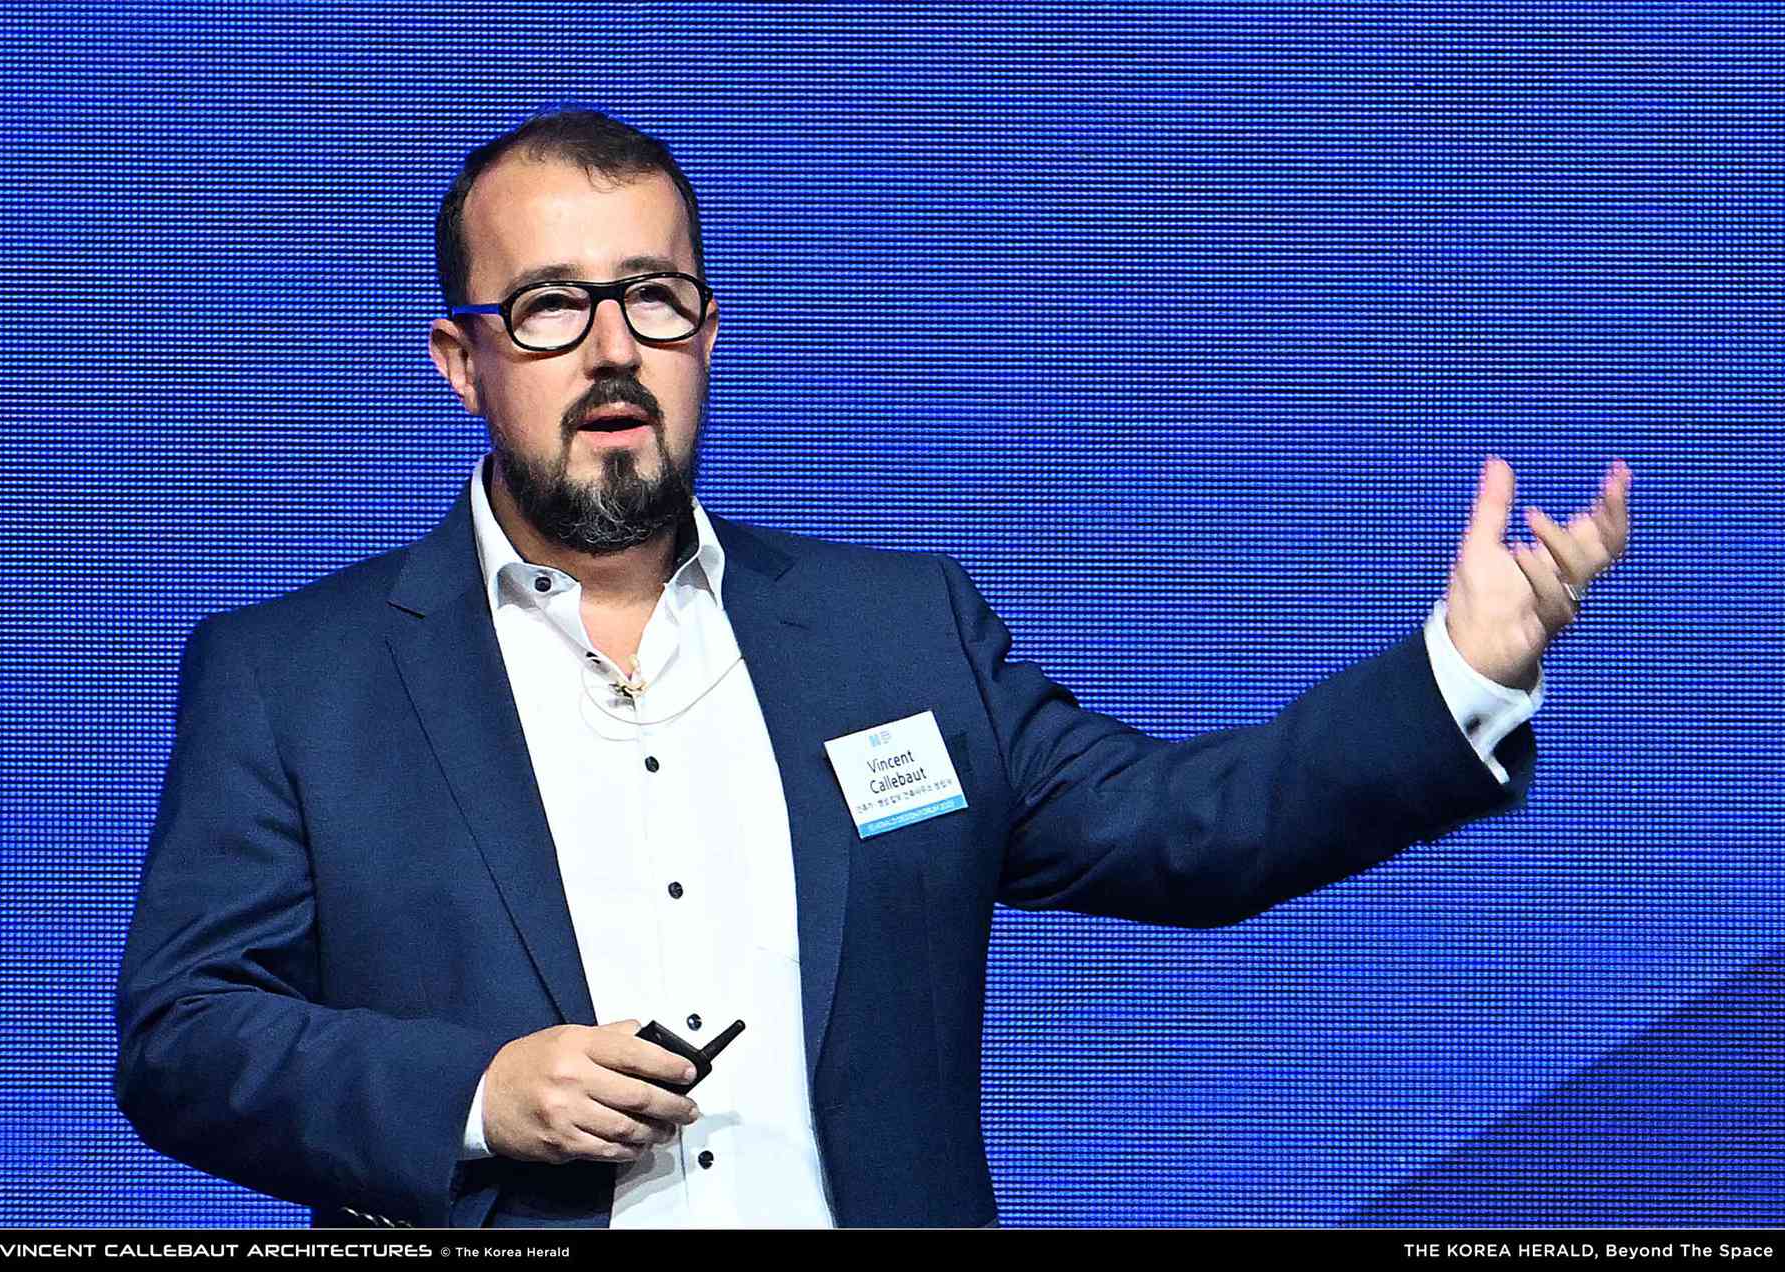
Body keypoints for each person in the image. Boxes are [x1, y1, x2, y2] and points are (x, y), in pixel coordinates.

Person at [114, 109, 1632, 1229]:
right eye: (551, 306)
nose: (612, 348)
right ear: (463, 361)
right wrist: (475, 1096)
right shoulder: (294, 680)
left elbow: (1194, 828)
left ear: (707, 332)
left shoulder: (896, 635)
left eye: (652, 296)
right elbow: (186, 1035)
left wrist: (1459, 673)